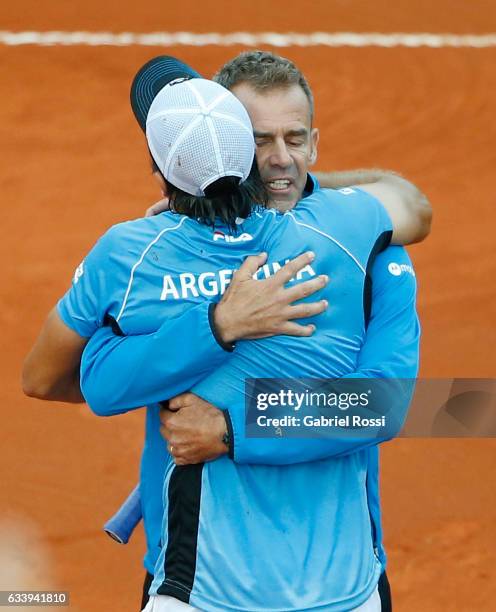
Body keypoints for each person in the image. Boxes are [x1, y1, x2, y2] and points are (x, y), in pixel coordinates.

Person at [22, 53, 429, 610]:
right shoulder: (357, 234)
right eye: (260, 142)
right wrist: (217, 326)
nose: (280, 160)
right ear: (238, 150)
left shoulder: (140, 255)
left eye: (295, 140)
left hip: (301, 583)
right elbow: (408, 202)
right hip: (216, 579)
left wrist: (230, 423)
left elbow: (388, 404)